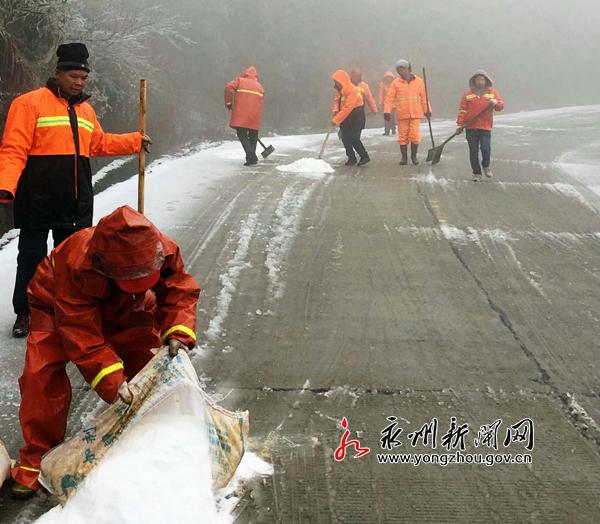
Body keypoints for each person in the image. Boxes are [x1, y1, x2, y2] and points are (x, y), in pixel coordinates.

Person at [10, 205, 201, 499]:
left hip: (125, 306)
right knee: (40, 376)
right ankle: (36, 460)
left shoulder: (161, 249)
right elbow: (81, 333)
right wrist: (112, 380)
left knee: (150, 368)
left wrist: (177, 329)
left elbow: (179, 290)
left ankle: (156, 438)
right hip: (55, 305)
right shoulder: (77, 264)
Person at [0, 43, 152, 339]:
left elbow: (97, 144)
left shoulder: (86, 110)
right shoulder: (29, 104)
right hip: (38, 197)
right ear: (58, 73)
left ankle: (66, 313)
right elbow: (14, 148)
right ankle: (26, 312)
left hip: (76, 198)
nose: (79, 82)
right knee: (31, 256)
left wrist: (134, 141)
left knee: (73, 262)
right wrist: (6, 185)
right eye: (74, 75)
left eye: (83, 77)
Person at [456, 70, 504, 181]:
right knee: (473, 152)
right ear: (474, 81)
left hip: (485, 127)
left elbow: (500, 106)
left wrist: (496, 103)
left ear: (486, 80)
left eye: (482, 79)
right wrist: (459, 124)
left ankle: (485, 165)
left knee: (486, 149)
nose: (480, 81)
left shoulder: (492, 93)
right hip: (470, 127)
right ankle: (476, 173)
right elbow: (462, 110)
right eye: (478, 79)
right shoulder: (467, 95)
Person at [384, 59, 430, 165]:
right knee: (402, 137)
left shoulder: (419, 81)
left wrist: (427, 110)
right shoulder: (395, 83)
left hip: (415, 113)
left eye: (403, 68)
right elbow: (389, 98)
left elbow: (424, 97)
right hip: (402, 113)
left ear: (409, 69)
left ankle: (414, 156)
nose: (401, 71)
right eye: (399, 69)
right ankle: (404, 157)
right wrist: (387, 111)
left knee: (415, 136)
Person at [224, 66, 265, 166]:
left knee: (242, 133)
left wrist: (229, 103)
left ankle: (251, 156)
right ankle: (251, 158)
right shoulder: (260, 87)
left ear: (245, 73)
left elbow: (228, 87)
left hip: (241, 113)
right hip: (254, 115)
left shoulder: (240, 80)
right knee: (253, 135)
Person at [331, 70, 370, 166]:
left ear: (342, 81)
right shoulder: (341, 91)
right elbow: (336, 101)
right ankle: (351, 158)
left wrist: (336, 120)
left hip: (355, 117)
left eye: (336, 82)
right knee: (345, 138)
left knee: (354, 138)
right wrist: (335, 111)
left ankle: (364, 156)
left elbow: (348, 108)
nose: (335, 84)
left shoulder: (353, 91)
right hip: (345, 117)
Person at [378, 70, 396, 136]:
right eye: (387, 77)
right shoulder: (382, 84)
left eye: (390, 77)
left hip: (393, 105)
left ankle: (393, 130)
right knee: (386, 118)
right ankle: (387, 131)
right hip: (385, 105)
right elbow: (380, 94)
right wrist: (380, 103)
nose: (389, 78)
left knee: (392, 118)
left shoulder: (395, 84)